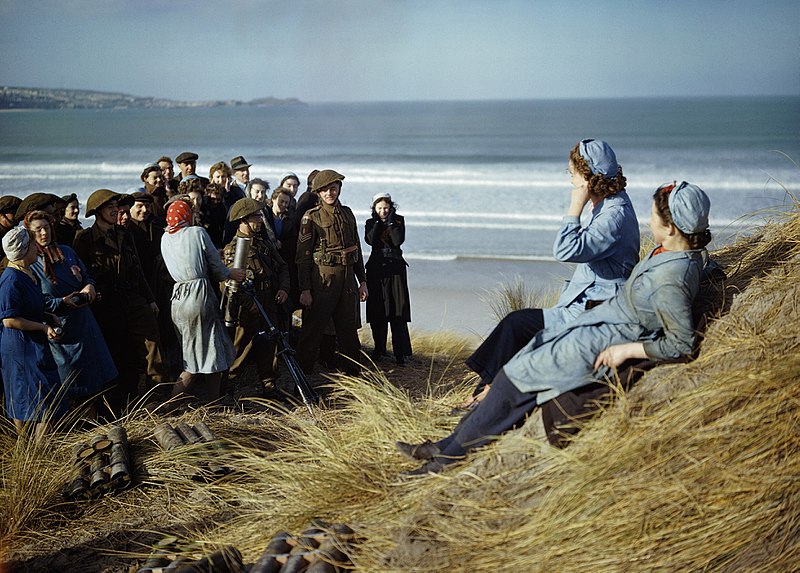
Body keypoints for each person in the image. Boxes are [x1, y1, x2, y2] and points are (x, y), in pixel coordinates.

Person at [398, 181, 712, 475]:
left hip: (606, 338)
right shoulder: (680, 254)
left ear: (670, 228)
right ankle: (442, 448)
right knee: (516, 369)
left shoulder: (669, 278)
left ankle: (442, 462)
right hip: (600, 325)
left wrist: (626, 350)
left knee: (513, 380)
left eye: (655, 216)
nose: (649, 220)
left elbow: (681, 343)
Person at [463, 139, 639, 406]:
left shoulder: (613, 216)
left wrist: (574, 207)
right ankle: (485, 391)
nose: (570, 181)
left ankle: (487, 396)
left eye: (573, 174)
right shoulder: (608, 204)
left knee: (517, 326)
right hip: (579, 305)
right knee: (515, 325)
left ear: (588, 178)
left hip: (594, 312)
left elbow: (565, 250)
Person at [73, 189, 167, 414]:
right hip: (106, 306)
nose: (115, 210)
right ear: (97, 212)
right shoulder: (84, 239)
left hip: (133, 300)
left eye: (117, 206)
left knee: (153, 347)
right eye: (110, 207)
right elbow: (81, 276)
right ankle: (119, 407)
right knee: (118, 355)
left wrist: (150, 299)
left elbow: (138, 269)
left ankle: (156, 398)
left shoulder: (125, 234)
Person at [25, 211, 117, 415]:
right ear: (29, 234)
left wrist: (89, 287)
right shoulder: (32, 263)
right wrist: (62, 302)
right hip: (62, 331)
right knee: (71, 384)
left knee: (96, 378)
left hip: (85, 324)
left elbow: (85, 276)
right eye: (37, 230)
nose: (43, 233)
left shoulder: (66, 252)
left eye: (46, 227)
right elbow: (37, 301)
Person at [161, 199, 244, 401]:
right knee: (199, 358)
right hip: (199, 296)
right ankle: (172, 407)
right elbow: (216, 267)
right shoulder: (196, 232)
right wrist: (231, 273)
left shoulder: (165, 238)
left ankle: (214, 401)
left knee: (203, 354)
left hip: (178, 298)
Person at [295, 170, 368, 375]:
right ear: (318, 192)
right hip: (323, 282)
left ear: (339, 189)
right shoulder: (311, 217)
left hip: (347, 282)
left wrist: (362, 281)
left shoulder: (348, 214)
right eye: (325, 189)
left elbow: (357, 249)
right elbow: (303, 257)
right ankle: (302, 380)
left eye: (333, 188)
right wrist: (305, 289)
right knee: (312, 332)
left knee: (349, 334)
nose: (330, 192)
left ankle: (353, 377)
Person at [0, 227, 65, 437]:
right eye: (31, 244)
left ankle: (33, 454)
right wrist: (43, 327)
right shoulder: (11, 280)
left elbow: (29, 306)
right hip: (22, 349)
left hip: (30, 345)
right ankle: (37, 456)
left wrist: (47, 316)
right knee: (40, 403)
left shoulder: (25, 273)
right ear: (23, 249)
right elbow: (10, 319)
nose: (37, 247)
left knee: (34, 400)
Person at [223, 198, 290, 390]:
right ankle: (227, 385)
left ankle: (269, 385)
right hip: (250, 304)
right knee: (241, 348)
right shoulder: (234, 249)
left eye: (260, 216)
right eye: (256, 217)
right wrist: (247, 302)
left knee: (270, 345)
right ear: (243, 220)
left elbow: (283, 266)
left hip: (269, 299)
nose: (260, 220)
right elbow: (229, 283)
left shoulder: (263, 243)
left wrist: (283, 288)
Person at [364, 193, 412, 365]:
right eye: (379, 208)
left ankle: (401, 353)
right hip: (376, 268)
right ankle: (379, 349)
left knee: (398, 310)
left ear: (391, 207)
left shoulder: (398, 221)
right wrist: (378, 222)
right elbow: (370, 240)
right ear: (374, 208)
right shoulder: (370, 223)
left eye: (386, 208)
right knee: (378, 309)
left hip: (396, 269)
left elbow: (398, 240)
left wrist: (390, 222)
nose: (383, 211)